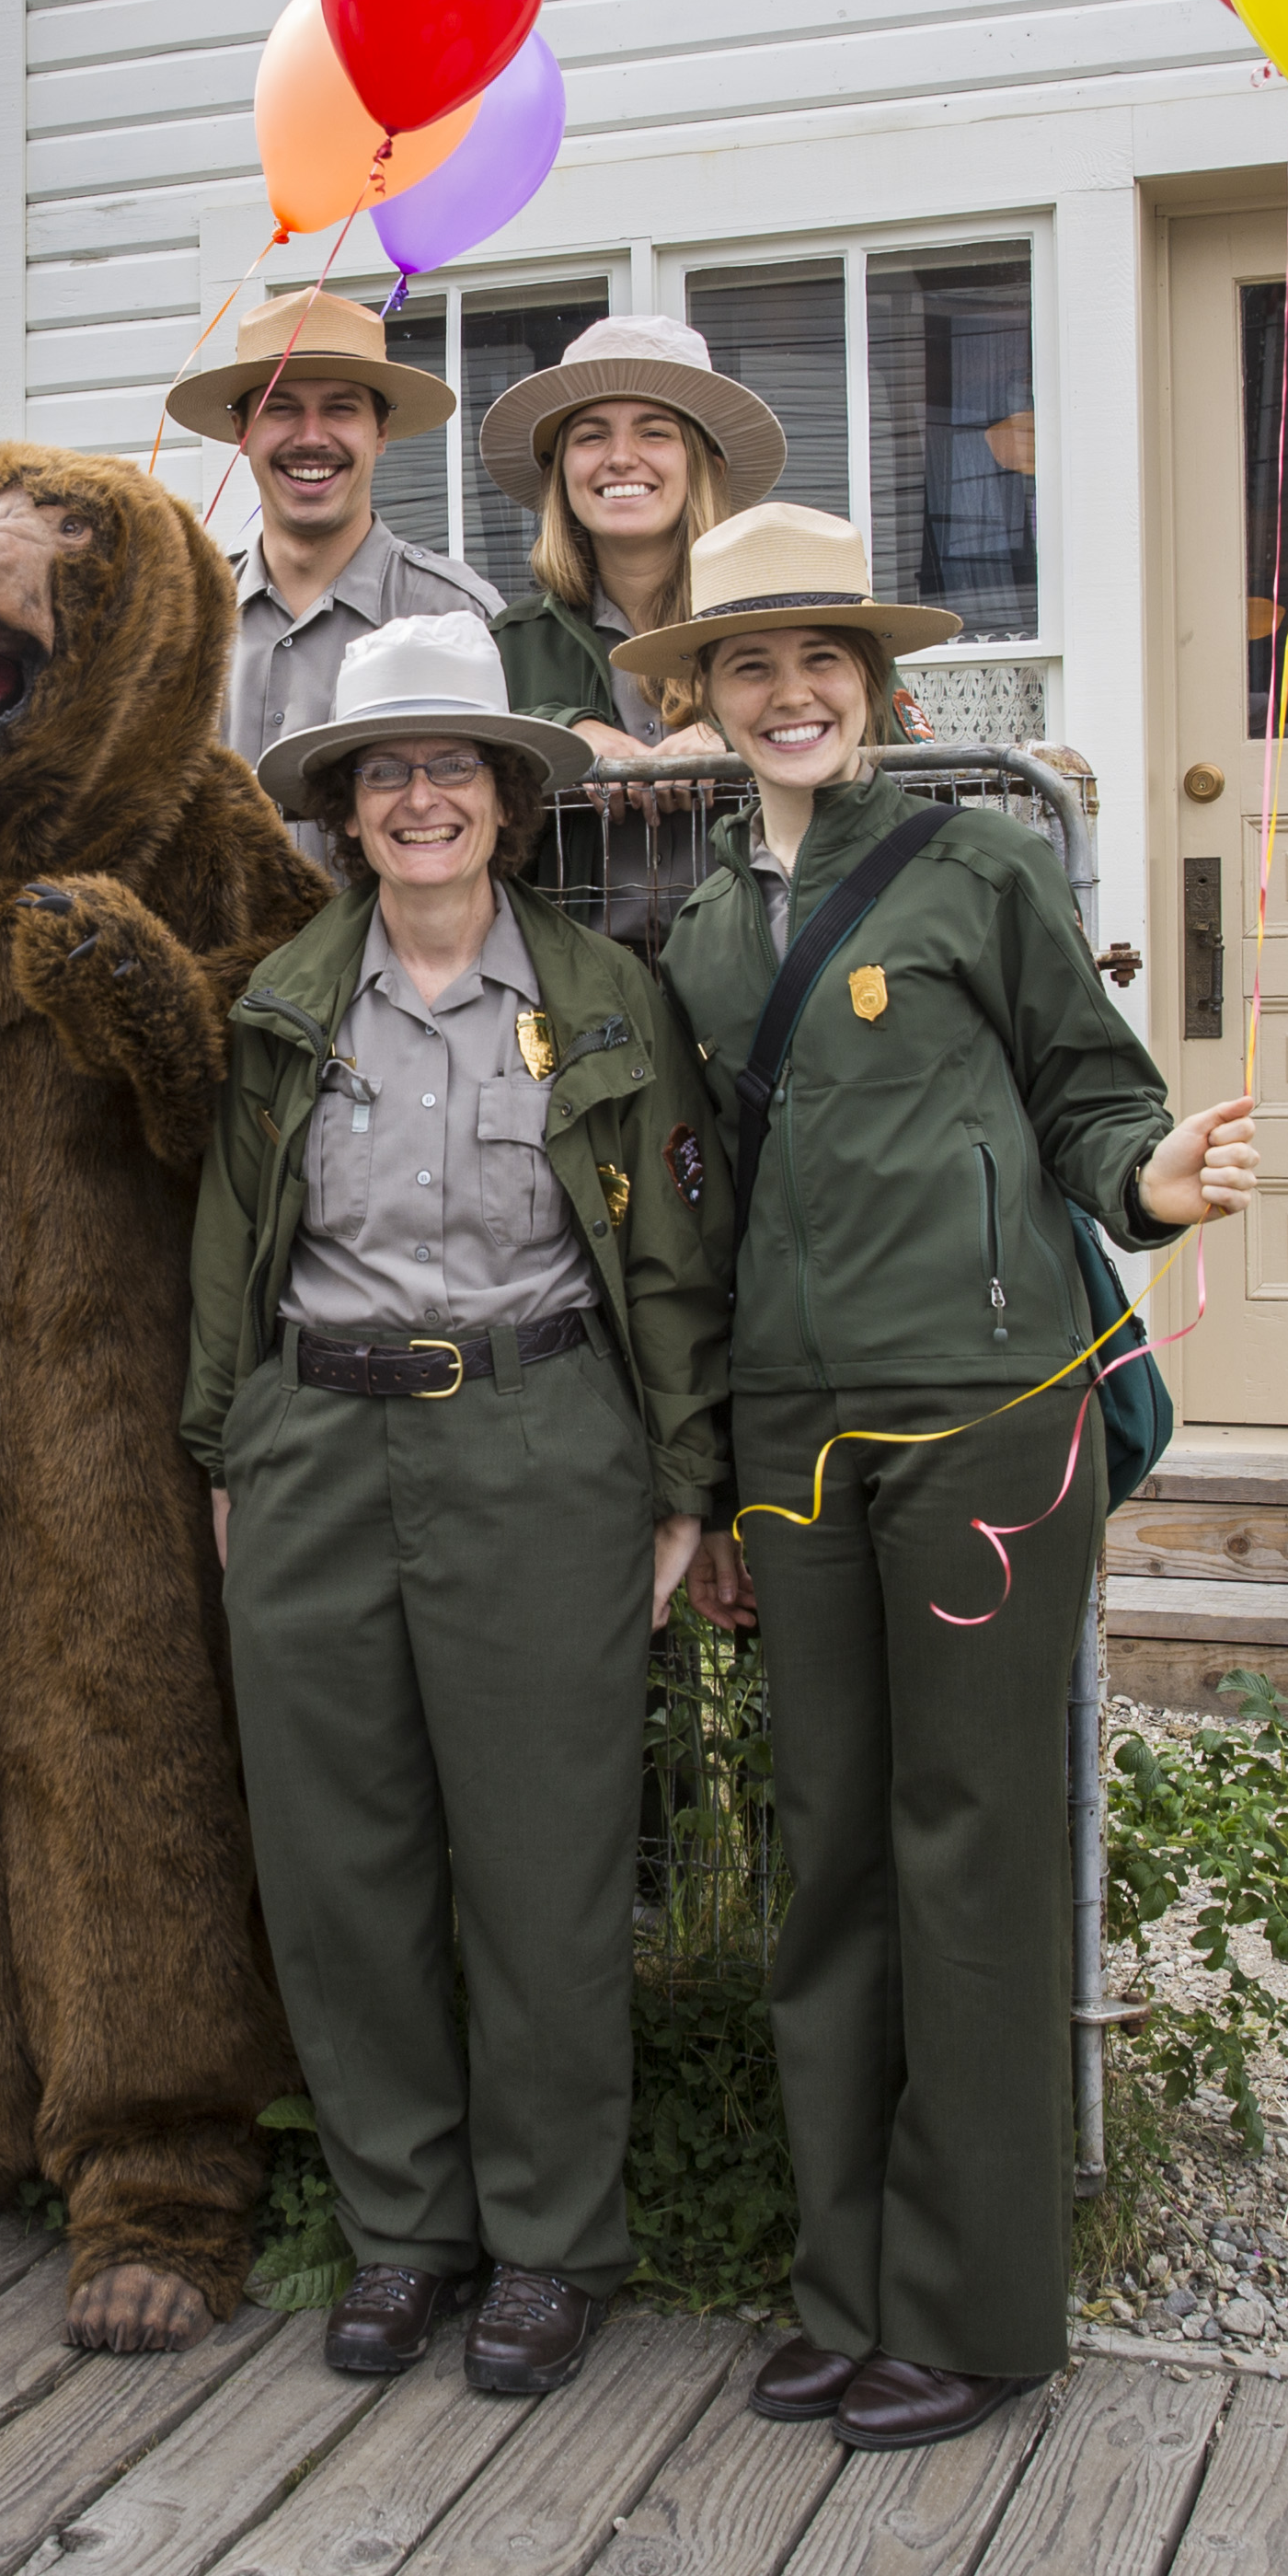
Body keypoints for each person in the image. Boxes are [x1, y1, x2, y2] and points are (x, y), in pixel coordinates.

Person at [628, 502, 1257, 2452]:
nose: (787, 688)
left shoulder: (977, 861)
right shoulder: (702, 929)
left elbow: (1088, 1083)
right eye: (748, 661)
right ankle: (841, 2286)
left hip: (989, 1418)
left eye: (819, 657)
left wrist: (1147, 1180)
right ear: (708, 701)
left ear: (877, 687)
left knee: (965, 1853)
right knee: (824, 1866)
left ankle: (972, 2308)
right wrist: (716, 1476)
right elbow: (701, 1214)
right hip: (798, 1447)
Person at [181, 611, 729, 2400]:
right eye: (384, 772)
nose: (420, 798)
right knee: (340, 1867)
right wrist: (226, 1449)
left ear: (504, 796)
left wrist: (676, 1481)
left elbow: (665, 1251)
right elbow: (225, 1252)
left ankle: (548, 2244)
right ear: (343, 809)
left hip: (536, 1442)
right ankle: (400, 2229)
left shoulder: (597, 997)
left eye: (452, 768)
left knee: (538, 1868)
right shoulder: (284, 1002)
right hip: (317, 1448)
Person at [479, 311, 793, 941]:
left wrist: (742, 735)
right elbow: (442, 789)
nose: (620, 459)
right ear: (560, 470)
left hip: (766, 974)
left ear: (703, 461)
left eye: (654, 433)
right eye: (591, 437)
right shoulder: (504, 646)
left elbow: (905, 768)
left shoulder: (793, 622)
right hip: (575, 996)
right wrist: (558, 734)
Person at [173, 286, 499, 861]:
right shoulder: (182, 620)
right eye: (281, 407)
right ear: (241, 431)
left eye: (341, 408)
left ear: (381, 432)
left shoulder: (456, 615)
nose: (311, 437)